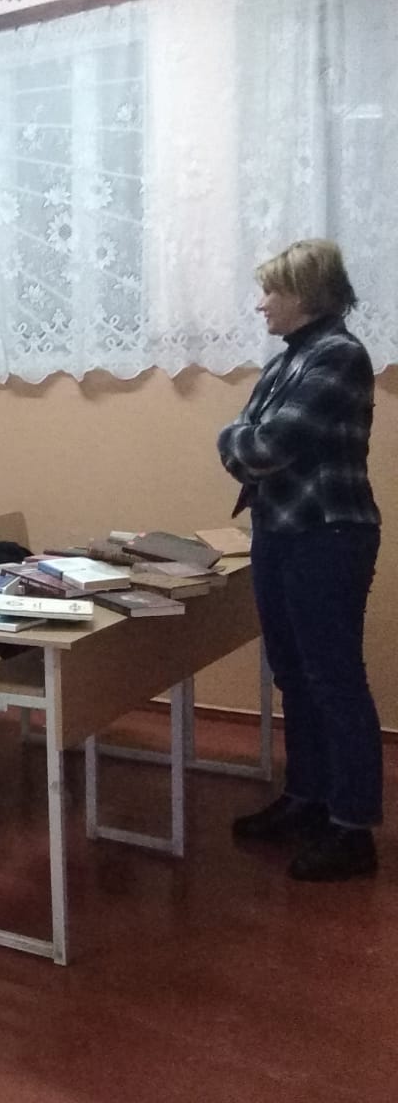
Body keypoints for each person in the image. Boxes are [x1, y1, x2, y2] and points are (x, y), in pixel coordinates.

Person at [219, 239, 382, 882]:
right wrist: (242, 439)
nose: (261, 304)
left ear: (307, 295)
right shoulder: (287, 360)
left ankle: (353, 827)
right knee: (293, 675)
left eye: (272, 291)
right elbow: (251, 441)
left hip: (328, 536)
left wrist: (234, 438)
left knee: (333, 679)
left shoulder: (339, 355)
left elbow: (263, 446)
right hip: (279, 533)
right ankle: (308, 796)